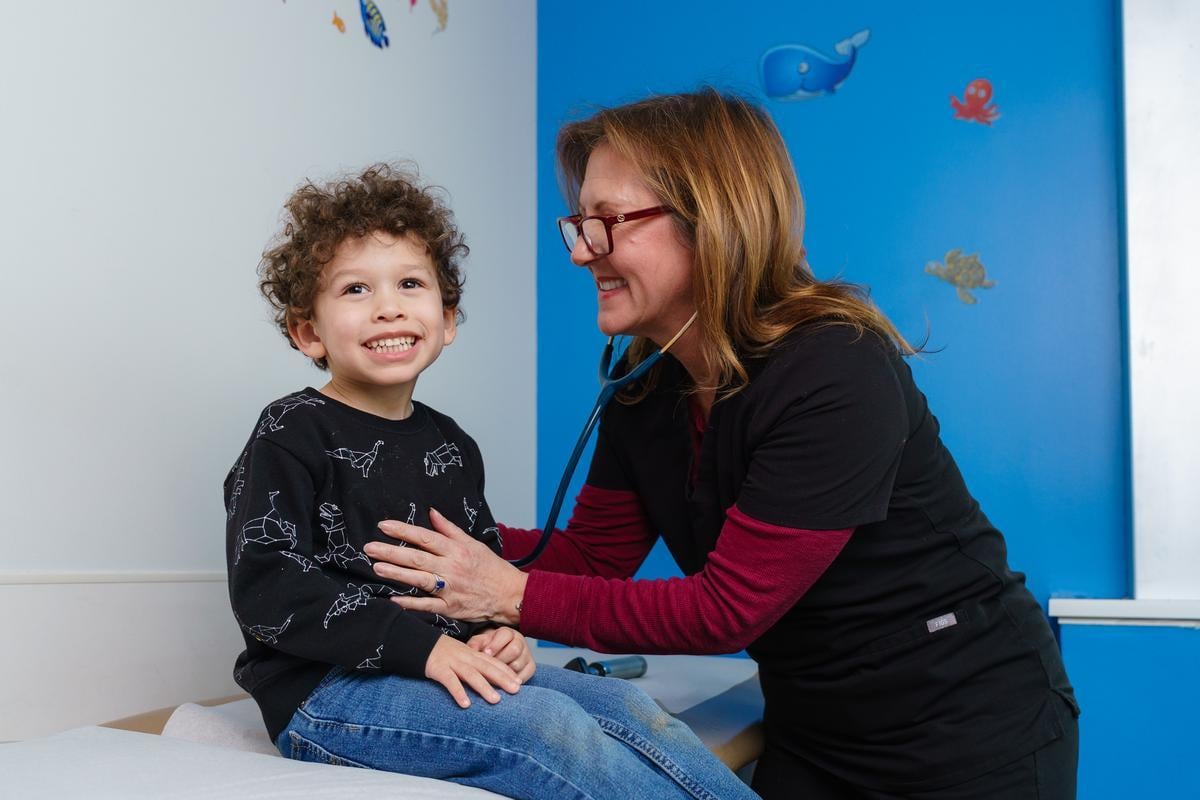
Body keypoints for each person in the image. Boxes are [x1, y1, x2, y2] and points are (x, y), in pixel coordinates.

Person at [363, 91, 1082, 799]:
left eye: (607, 222)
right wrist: (415, 536)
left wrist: (507, 593)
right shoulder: (646, 379)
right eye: (579, 225)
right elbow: (593, 558)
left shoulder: (835, 366)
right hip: (815, 727)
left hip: (967, 728)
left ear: (713, 220)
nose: (582, 252)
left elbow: (727, 609)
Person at [224, 163, 758, 800]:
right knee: (546, 725)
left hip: (440, 666)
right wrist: (426, 651)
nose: (389, 306)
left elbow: (475, 580)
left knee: (628, 706)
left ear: (448, 320)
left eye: (410, 283)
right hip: (329, 690)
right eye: (356, 289)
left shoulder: (452, 446)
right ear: (309, 332)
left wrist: (499, 636)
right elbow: (269, 587)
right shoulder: (290, 431)